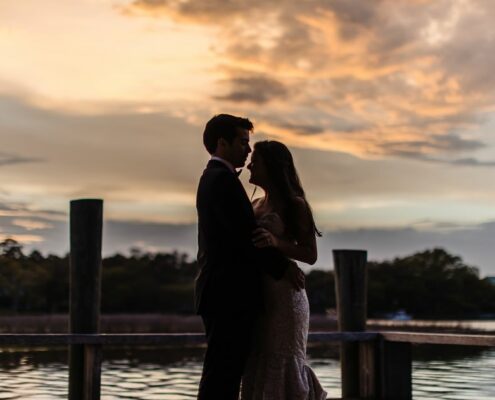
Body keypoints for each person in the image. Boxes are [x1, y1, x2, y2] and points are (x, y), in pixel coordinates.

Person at [195, 114, 305, 400]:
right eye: (243, 142)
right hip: (228, 294)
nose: (247, 149)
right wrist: (282, 268)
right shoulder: (221, 181)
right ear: (222, 143)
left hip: (228, 293)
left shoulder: (216, 178)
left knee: (226, 372)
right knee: (223, 374)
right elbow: (246, 238)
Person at [241, 140, 327, 400]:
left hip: (285, 297)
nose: (249, 164)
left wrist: (276, 242)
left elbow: (310, 255)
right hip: (259, 294)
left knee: (282, 357)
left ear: (272, 166)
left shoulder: (295, 205)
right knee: (259, 358)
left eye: (256, 160)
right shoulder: (254, 202)